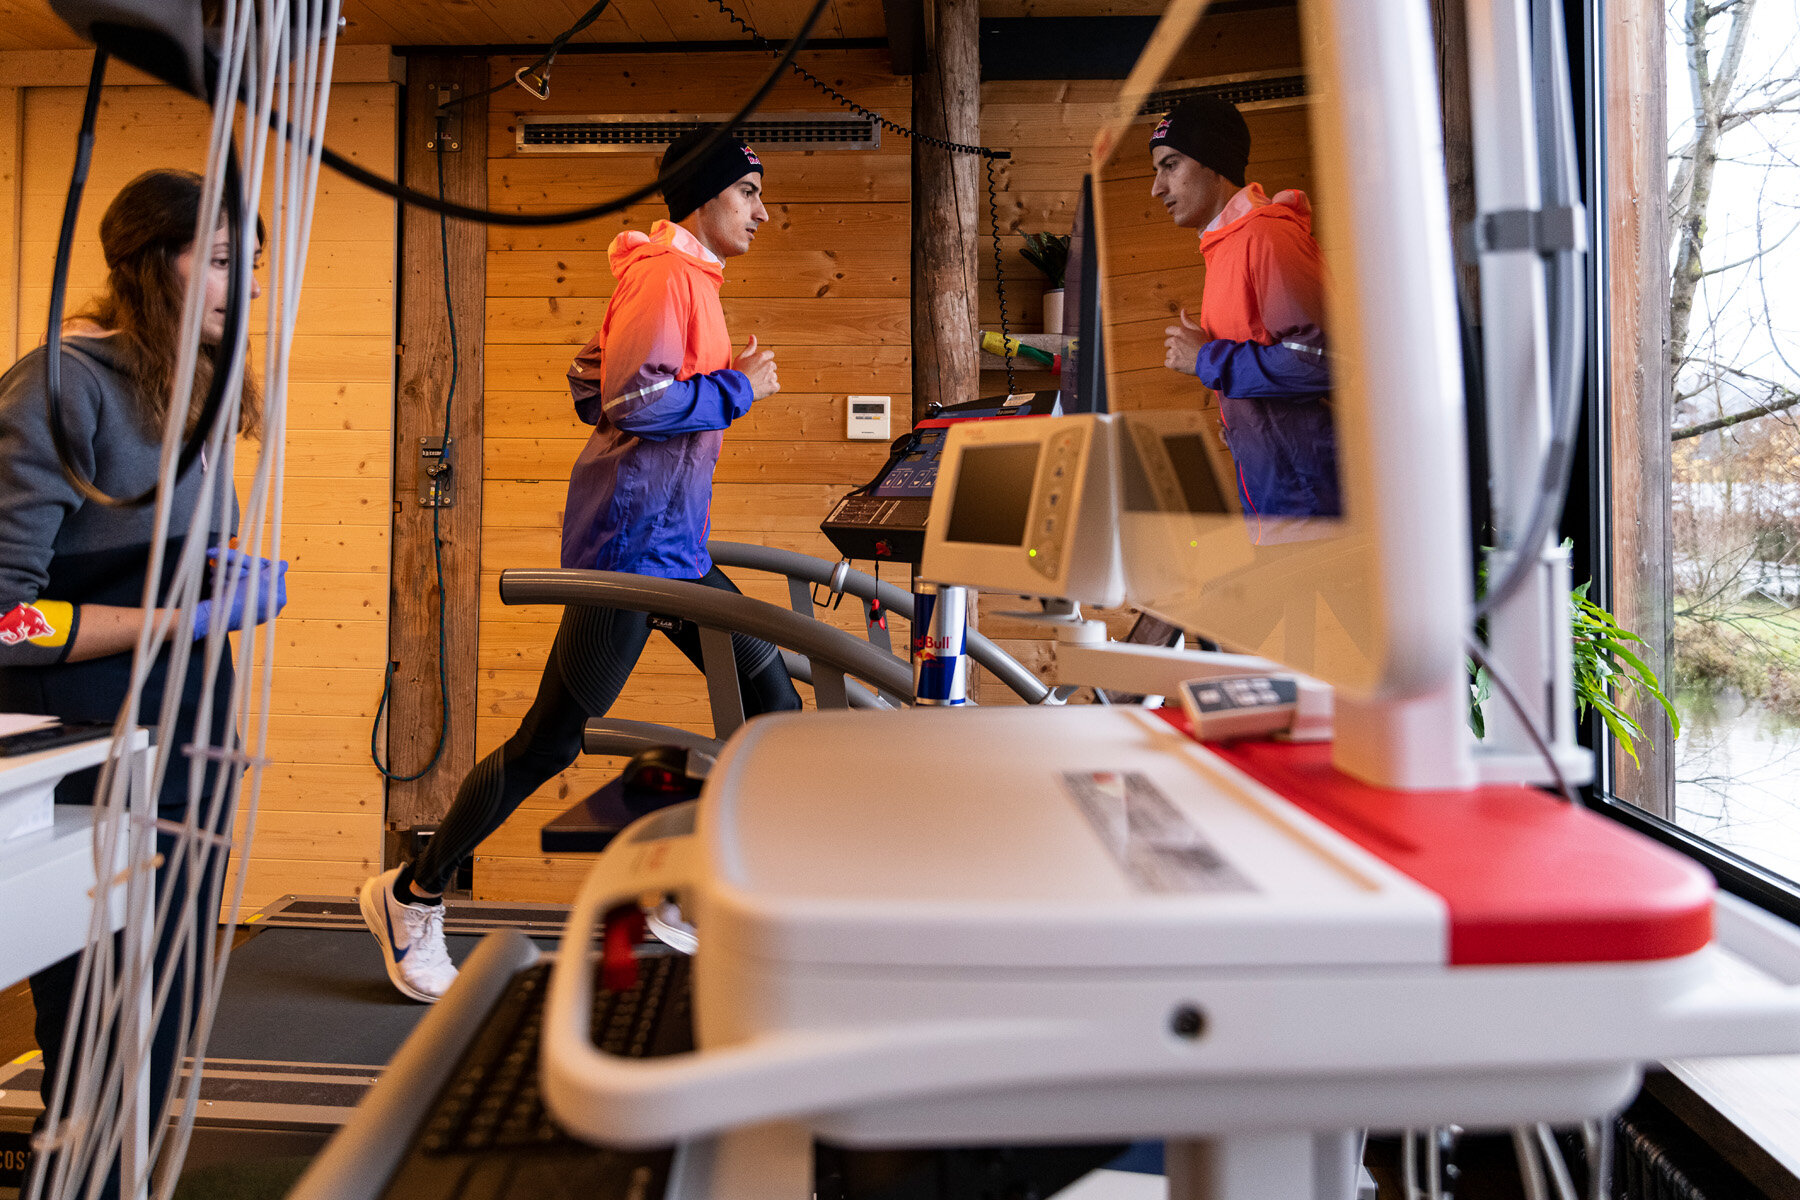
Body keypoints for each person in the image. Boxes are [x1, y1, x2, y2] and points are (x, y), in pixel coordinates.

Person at [359, 130, 802, 1003]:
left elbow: (593, 387)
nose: (761, 210)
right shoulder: (666, 275)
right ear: (707, 197)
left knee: (774, 703)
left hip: (671, 547)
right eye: (749, 192)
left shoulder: (683, 280)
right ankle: (413, 891)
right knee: (550, 741)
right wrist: (741, 387)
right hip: (633, 549)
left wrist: (658, 380)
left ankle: (695, 893)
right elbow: (636, 401)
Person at [0, 168, 286, 1195]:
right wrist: (182, 615)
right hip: (85, 755)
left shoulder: (198, 389)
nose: (239, 286)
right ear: (142, 264)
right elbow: (6, 615)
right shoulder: (59, 386)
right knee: (97, 1036)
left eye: (247, 264)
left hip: (186, 744)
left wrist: (220, 578)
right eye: (214, 261)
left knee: (161, 1026)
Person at [1152, 96, 1341, 524]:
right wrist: (1247, 428)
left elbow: (1326, 361)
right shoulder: (1224, 246)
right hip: (1277, 501)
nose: (1157, 188)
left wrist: (1205, 358)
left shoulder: (1267, 237)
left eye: (1171, 164)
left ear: (1213, 162)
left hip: (1312, 510)